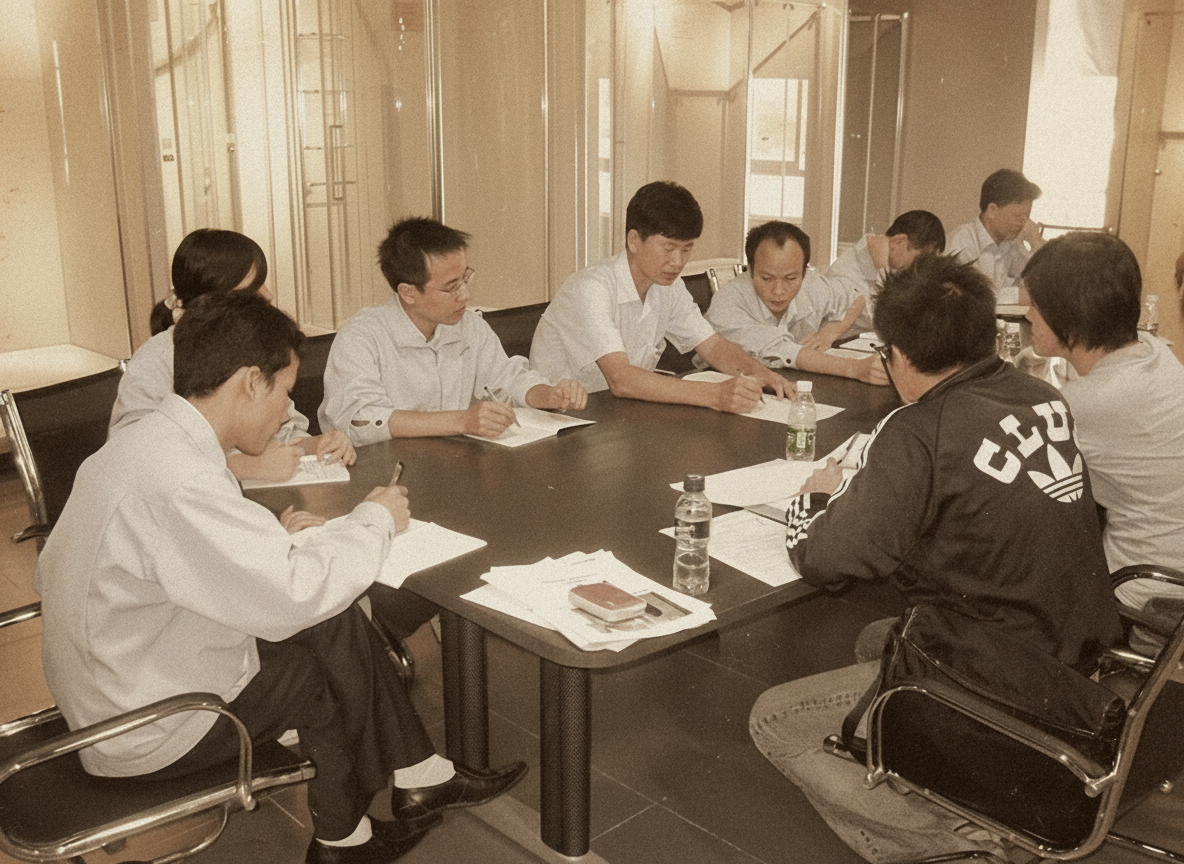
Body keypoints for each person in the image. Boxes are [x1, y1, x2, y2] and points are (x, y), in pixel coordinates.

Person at [37, 291, 526, 864]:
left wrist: (277, 539)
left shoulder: (147, 446)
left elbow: (182, 558)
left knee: (331, 621)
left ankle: (414, 778)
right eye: (286, 392)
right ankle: (348, 837)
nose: (286, 413)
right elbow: (292, 594)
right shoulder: (181, 479)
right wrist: (374, 520)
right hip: (144, 723)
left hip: (120, 674)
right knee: (318, 666)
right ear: (250, 381)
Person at [749, 254, 1121, 862]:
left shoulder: (919, 429)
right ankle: (940, 786)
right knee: (876, 638)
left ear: (894, 354)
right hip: (1078, 648)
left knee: (774, 722)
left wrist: (813, 501)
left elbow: (826, 560)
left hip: (1010, 677)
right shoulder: (1041, 395)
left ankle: (964, 843)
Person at [110, 228, 355, 483]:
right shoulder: (158, 356)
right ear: (215, 299)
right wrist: (238, 466)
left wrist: (318, 444)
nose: (268, 295)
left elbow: (283, 431)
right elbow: (130, 456)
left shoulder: (253, 345)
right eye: (253, 287)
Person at [1022, 232, 1184, 613]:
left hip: (1141, 598)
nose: (1028, 315)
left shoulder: (1086, 404)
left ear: (1071, 314)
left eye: (1036, 306)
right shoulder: (1156, 352)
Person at [319, 217, 586, 444]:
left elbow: (506, 379)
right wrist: (462, 421)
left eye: (465, 279)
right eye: (451, 287)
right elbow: (363, 420)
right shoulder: (362, 337)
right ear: (408, 292)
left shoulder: (468, 326)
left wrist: (547, 394)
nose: (465, 295)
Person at [529, 181, 790, 412]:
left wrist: (761, 374)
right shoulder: (591, 288)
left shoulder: (668, 286)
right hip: (557, 419)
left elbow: (712, 345)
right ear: (633, 241)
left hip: (616, 413)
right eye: (669, 248)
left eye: (686, 249)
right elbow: (621, 380)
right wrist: (716, 395)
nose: (678, 262)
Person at [705, 221, 888, 385]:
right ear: (751, 269)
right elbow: (786, 351)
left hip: (790, 384)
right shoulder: (728, 301)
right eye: (767, 278)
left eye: (791, 278)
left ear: (804, 273)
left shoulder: (812, 284)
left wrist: (829, 334)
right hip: (727, 387)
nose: (778, 290)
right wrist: (855, 368)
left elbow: (856, 298)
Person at [824, 209, 945, 335]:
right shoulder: (846, 276)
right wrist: (883, 271)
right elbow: (894, 325)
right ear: (898, 242)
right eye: (923, 260)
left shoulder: (898, 266)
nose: (923, 269)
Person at [946, 168, 1044, 304]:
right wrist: (1018, 295)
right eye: (1017, 216)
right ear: (992, 210)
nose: (1023, 223)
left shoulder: (1011, 242)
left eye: (1026, 216)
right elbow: (969, 297)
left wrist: (1036, 241)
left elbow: (1036, 282)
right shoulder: (962, 241)